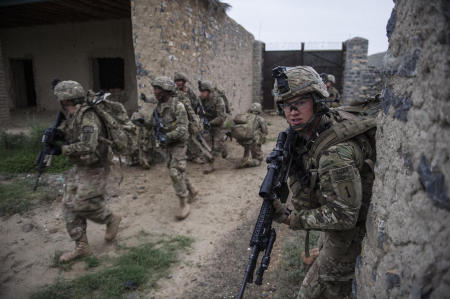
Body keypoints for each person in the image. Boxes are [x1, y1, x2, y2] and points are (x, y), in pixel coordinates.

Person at [271, 66, 375, 298]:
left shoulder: (334, 155)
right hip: (340, 221)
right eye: (287, 105)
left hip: (352, 232)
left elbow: (344, 216)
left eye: (301, 102)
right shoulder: (316, 129)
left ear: (318, 101)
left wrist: (291, 219)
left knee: (314, 292)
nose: (293, 112)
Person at [52, 80, 121, 263]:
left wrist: (62, 150)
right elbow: (72, 132)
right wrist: (59, 135)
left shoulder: (88, 116)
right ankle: (82, 246)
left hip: (95, 166)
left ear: (66, 99)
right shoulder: (72, 115)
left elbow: (88, 145)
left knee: (83, 204)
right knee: (68, 204)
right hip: (80, 166)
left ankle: (110, 218)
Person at [151, 76, 199, 220]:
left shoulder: (178, 106)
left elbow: (183, 130)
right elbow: (156, 123)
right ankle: (192, 189)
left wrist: (167, 137)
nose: (154, 92)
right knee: (178, 169)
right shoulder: (159, 107)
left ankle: (184, 203)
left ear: (165, 90)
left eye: (157, 89)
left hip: (178, 143)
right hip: (167, 144)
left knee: (174, 171)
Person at [198, 80, 227, 174]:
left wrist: (210, 123)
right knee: (207, 144)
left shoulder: (218, 100)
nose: (202, 93)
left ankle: (223, 147)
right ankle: (210, 164)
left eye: (204, 91)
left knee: (217, 145)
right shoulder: (201, 99)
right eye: (201, 91)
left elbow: (221, 117)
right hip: (208, 124)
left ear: (209, 91)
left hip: (218, 124)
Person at [236, 102, 268, 168]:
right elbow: (265, 131)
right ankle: (248, 162)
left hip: (244, 139)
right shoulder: (260, 119)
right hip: (254, 140)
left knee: (247, 149)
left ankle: (245, 158)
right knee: (258, 159)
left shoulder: (246, 117)